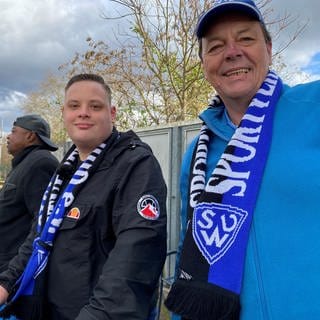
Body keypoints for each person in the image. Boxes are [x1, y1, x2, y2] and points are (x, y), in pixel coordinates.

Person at [165, 0, 320, 319]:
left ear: (269, 48)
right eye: (216, 46)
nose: (232, 52)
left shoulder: (313, 107)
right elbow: (190, 251)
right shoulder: (196, 154)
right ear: (205, 63)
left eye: (246, 39)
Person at [0, 74, 167, 320]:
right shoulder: (65, 170)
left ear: (112, 113)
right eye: (74, 106)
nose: (83, 113)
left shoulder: (136, 164)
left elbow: (133, 261)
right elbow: (37, 237)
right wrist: (5, 284)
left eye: (95, 106)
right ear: (64, 113)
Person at [0, 114, 59, 273]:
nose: (8, 137)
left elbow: (42, 222)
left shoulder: (40, 163)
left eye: (13, 131)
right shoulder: (25, 163)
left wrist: (15, 271)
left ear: (30, 136)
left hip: (13, 269)